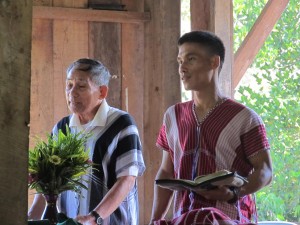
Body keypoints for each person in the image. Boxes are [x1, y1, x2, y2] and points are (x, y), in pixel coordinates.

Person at [149, 31, 273, 225]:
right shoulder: (172, 116)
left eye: (191, 59)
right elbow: (166, 172)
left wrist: (234, 192)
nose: (182, 68)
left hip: (229, 218)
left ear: (214, 62)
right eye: (180, 60)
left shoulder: (244, 118)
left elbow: (265, 171)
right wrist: (154, 220)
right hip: (185, 218)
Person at [28, 58, 146, 225]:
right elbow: (48, 179)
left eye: (81, 86)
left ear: (102, 92)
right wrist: (32, 214)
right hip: (70, 221)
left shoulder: (122, 124)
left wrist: (94, 217)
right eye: (69, 85)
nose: (72, 92)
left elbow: (127, 179)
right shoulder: (62, 128)